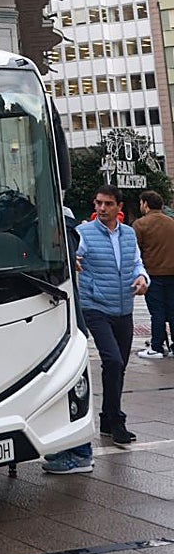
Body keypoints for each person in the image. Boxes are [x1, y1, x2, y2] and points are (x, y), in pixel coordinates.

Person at [76, 185, 148, 447]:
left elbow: (137, 262)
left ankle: (107, 417)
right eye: (98, 204)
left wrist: (142, 278)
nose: (102, 209)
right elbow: (71, 254)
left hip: (124, 308)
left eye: (107, 204)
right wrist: (73, 260)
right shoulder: (83, 233)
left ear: (119, 206)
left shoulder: (129, 234)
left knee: (119, 367)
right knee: (113, 361)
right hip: (95, 306)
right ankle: (117, 421)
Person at [43, 206, 95, 473]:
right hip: (64, 319)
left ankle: (81, 454)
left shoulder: (65, 227)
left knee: (74, 388)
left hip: (69, 321)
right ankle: (69, 447)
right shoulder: (68, 228)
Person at [133, 189, 174, 359]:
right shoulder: (171, 222)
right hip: (172, 273)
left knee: (157, 312)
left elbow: (135, 251)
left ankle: (157, 346)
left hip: (153, 274)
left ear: (146, 204)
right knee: (172, 310)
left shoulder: (140, 224)